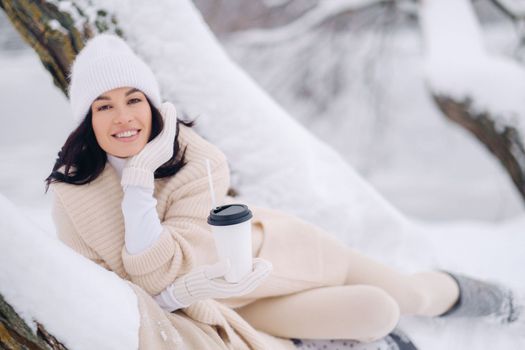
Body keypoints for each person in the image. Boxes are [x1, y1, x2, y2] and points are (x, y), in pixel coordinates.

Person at [45, 34, 522, 350]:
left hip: (275, 254)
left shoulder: (197, 160)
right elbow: (137, 291)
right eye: (104, 106)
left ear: (154, 106)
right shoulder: (74, 196)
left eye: (134, 100)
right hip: (227, 308)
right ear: (87, 121)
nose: (123, 117)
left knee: (409, 294)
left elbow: (173, 261)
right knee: (379, 312)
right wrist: (135, 187)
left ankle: (492, 299)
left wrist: (145, 175)